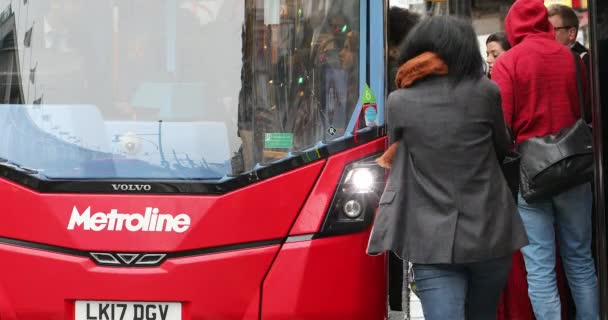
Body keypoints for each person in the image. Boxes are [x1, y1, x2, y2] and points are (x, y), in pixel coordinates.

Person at [367, 16, 527, 320]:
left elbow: (399, 152)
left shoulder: (399, 102)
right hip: (489, 230)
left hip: (430, 236)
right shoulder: (485, 92)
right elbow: (503, 147)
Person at [491, 0, 599, 319]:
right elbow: (588, 110)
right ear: (544, 23)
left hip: (532, 174)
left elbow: (502, 123)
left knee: (540, 269)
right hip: (576, 169)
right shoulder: (571, 58)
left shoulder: (508, 62)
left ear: (513, 27)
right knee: (580, 261)